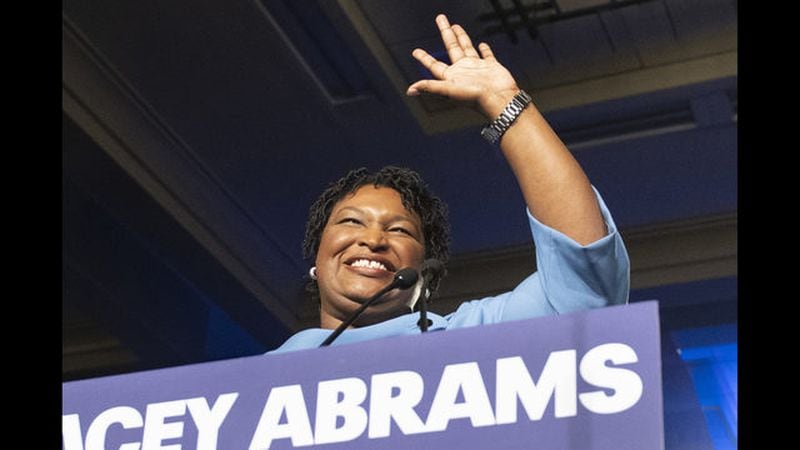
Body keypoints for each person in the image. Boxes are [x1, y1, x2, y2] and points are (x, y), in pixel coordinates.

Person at [270, 14, 629, 354]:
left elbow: (586, 287)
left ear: (424, 274)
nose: (374, 240)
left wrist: (503, 103)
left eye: (400, 231)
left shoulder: (466, 340)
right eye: (351, 221)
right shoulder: (243, 387)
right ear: (317, 255)